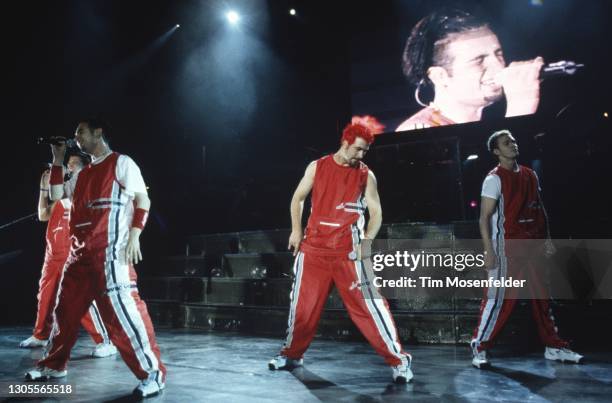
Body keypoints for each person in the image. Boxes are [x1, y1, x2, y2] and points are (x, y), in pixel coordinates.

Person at [25, 119, 166, 398]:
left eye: (80, 131)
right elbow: (55, 197)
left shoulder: (122, 163)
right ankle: (54, 365)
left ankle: (153, 374)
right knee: (63, 314)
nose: (75, 136)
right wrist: (57, 159)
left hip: (111, 255)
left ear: (98, 133)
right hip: (78, 258)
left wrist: (136, 235)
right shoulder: (81, 175)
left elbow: (143, 200)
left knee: (124, 318)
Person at [268, 116, 413, 383]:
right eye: (357, 148)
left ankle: (399, 361)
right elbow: (297, 199)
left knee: (370, 308)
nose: (360, 154)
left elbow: (376, 213)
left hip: (350, 252)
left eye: (365, 151)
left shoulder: (366, 175)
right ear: (345, 142)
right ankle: (292, 355)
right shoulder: (318, 166)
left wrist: (366, 242)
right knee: (303, 308)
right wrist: (296, 230)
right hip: (313, 250)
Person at [471, 129, 583, 368]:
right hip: (506, 248)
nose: (512, 144)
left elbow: (539, 208)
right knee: (499, 300)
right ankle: (479, 346)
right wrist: (488, 251)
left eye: (513, 140)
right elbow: (483, 218)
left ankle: (554, 346)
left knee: (542, 299)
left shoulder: (531, 174)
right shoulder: (494, 178)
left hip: (533, 245)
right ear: (496, 151)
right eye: (505, 142)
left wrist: (548, 239)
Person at [19, 152, 117, 359]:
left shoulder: (85, 193)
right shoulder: (61, 199)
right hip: (52, 255)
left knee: (81, 300)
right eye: (68, 164)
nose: (69, 168)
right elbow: (42, 215)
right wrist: (43, 187)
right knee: (45, 296)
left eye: (73, 165)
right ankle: (41, 335)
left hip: (75, 254)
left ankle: (105, 341)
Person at [396, 9, 544, 131]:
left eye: (498, 54)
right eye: (479, 60)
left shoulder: (487, 122)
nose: (499, 66)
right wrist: (520, 110)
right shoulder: (417, 131)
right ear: (440, 76)